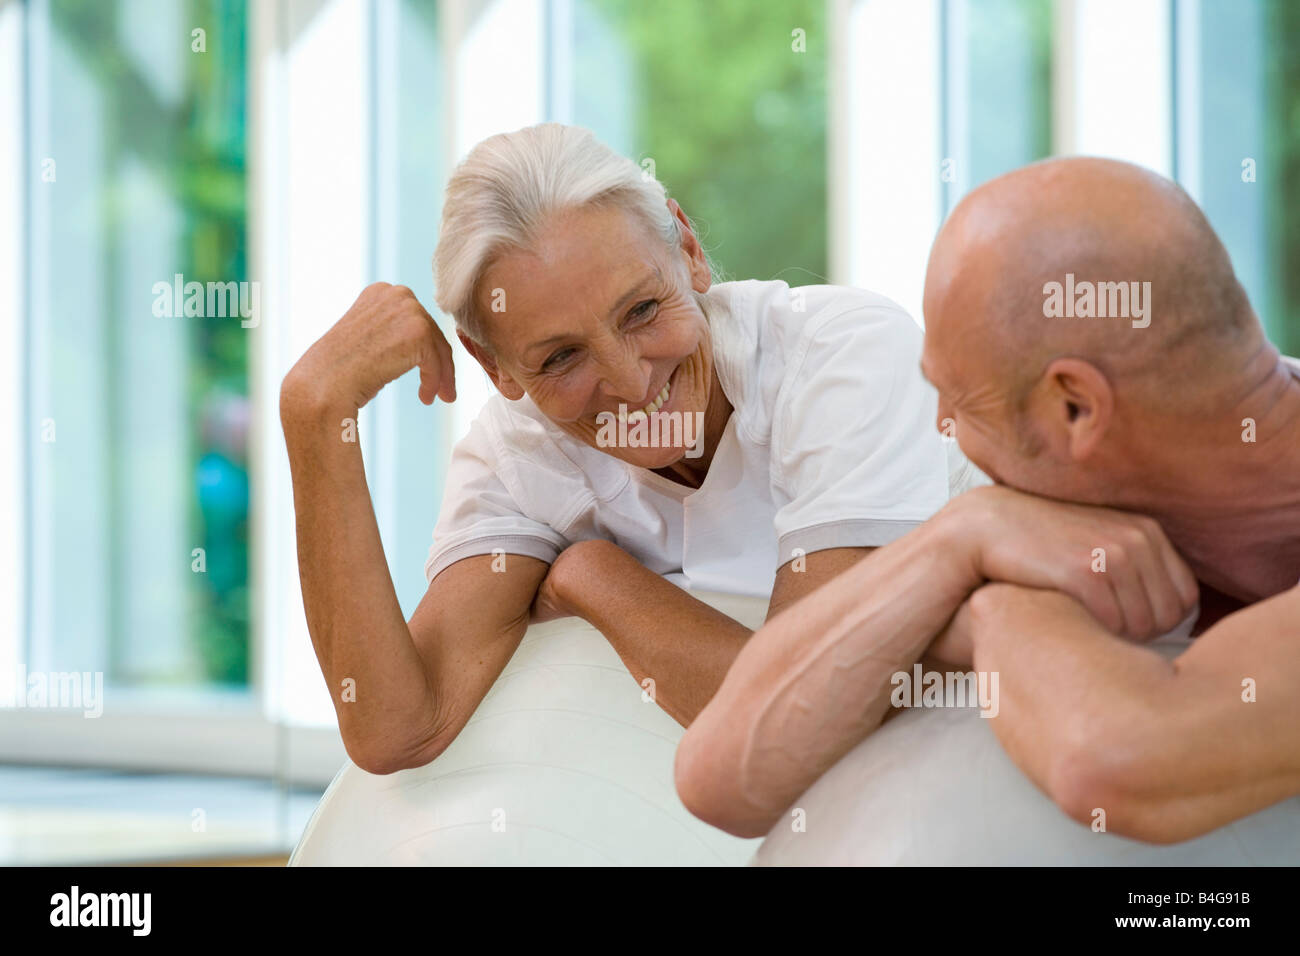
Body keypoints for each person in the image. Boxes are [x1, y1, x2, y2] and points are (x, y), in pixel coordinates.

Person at [278, 122, 983, 773]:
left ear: (688, 249)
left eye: (642, 311)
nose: (628, 381)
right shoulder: (517, 452)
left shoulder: (845, 354)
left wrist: (595, 576)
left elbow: (797, 720)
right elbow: (401, 727)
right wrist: (314, 413)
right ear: (495, 368)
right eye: (559, 358)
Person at [674, 156, 1300, 846]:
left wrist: (999, 605)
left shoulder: (1050, 524)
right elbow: (721, 776)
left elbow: (1120, 763)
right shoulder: (1051, 508)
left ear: (1074, 409)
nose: (942, 425)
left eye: (961, 402)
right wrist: (962, 538)